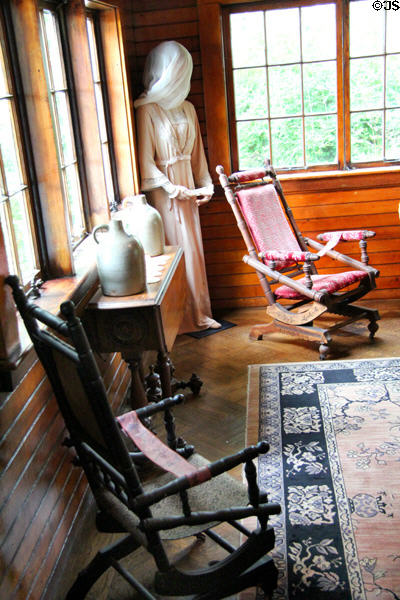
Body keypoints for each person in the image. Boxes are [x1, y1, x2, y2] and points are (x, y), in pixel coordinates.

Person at [134, 40, 221, 334]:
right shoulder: (146, 110)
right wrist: (171, 188)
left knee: (192, 251)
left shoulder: (187, 108)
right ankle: (179, 320)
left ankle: (199, 312)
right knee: (173, 252)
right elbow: (145, 161)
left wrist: (206, 185)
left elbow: (198, 157)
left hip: (189, 193)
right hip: (164, 195)